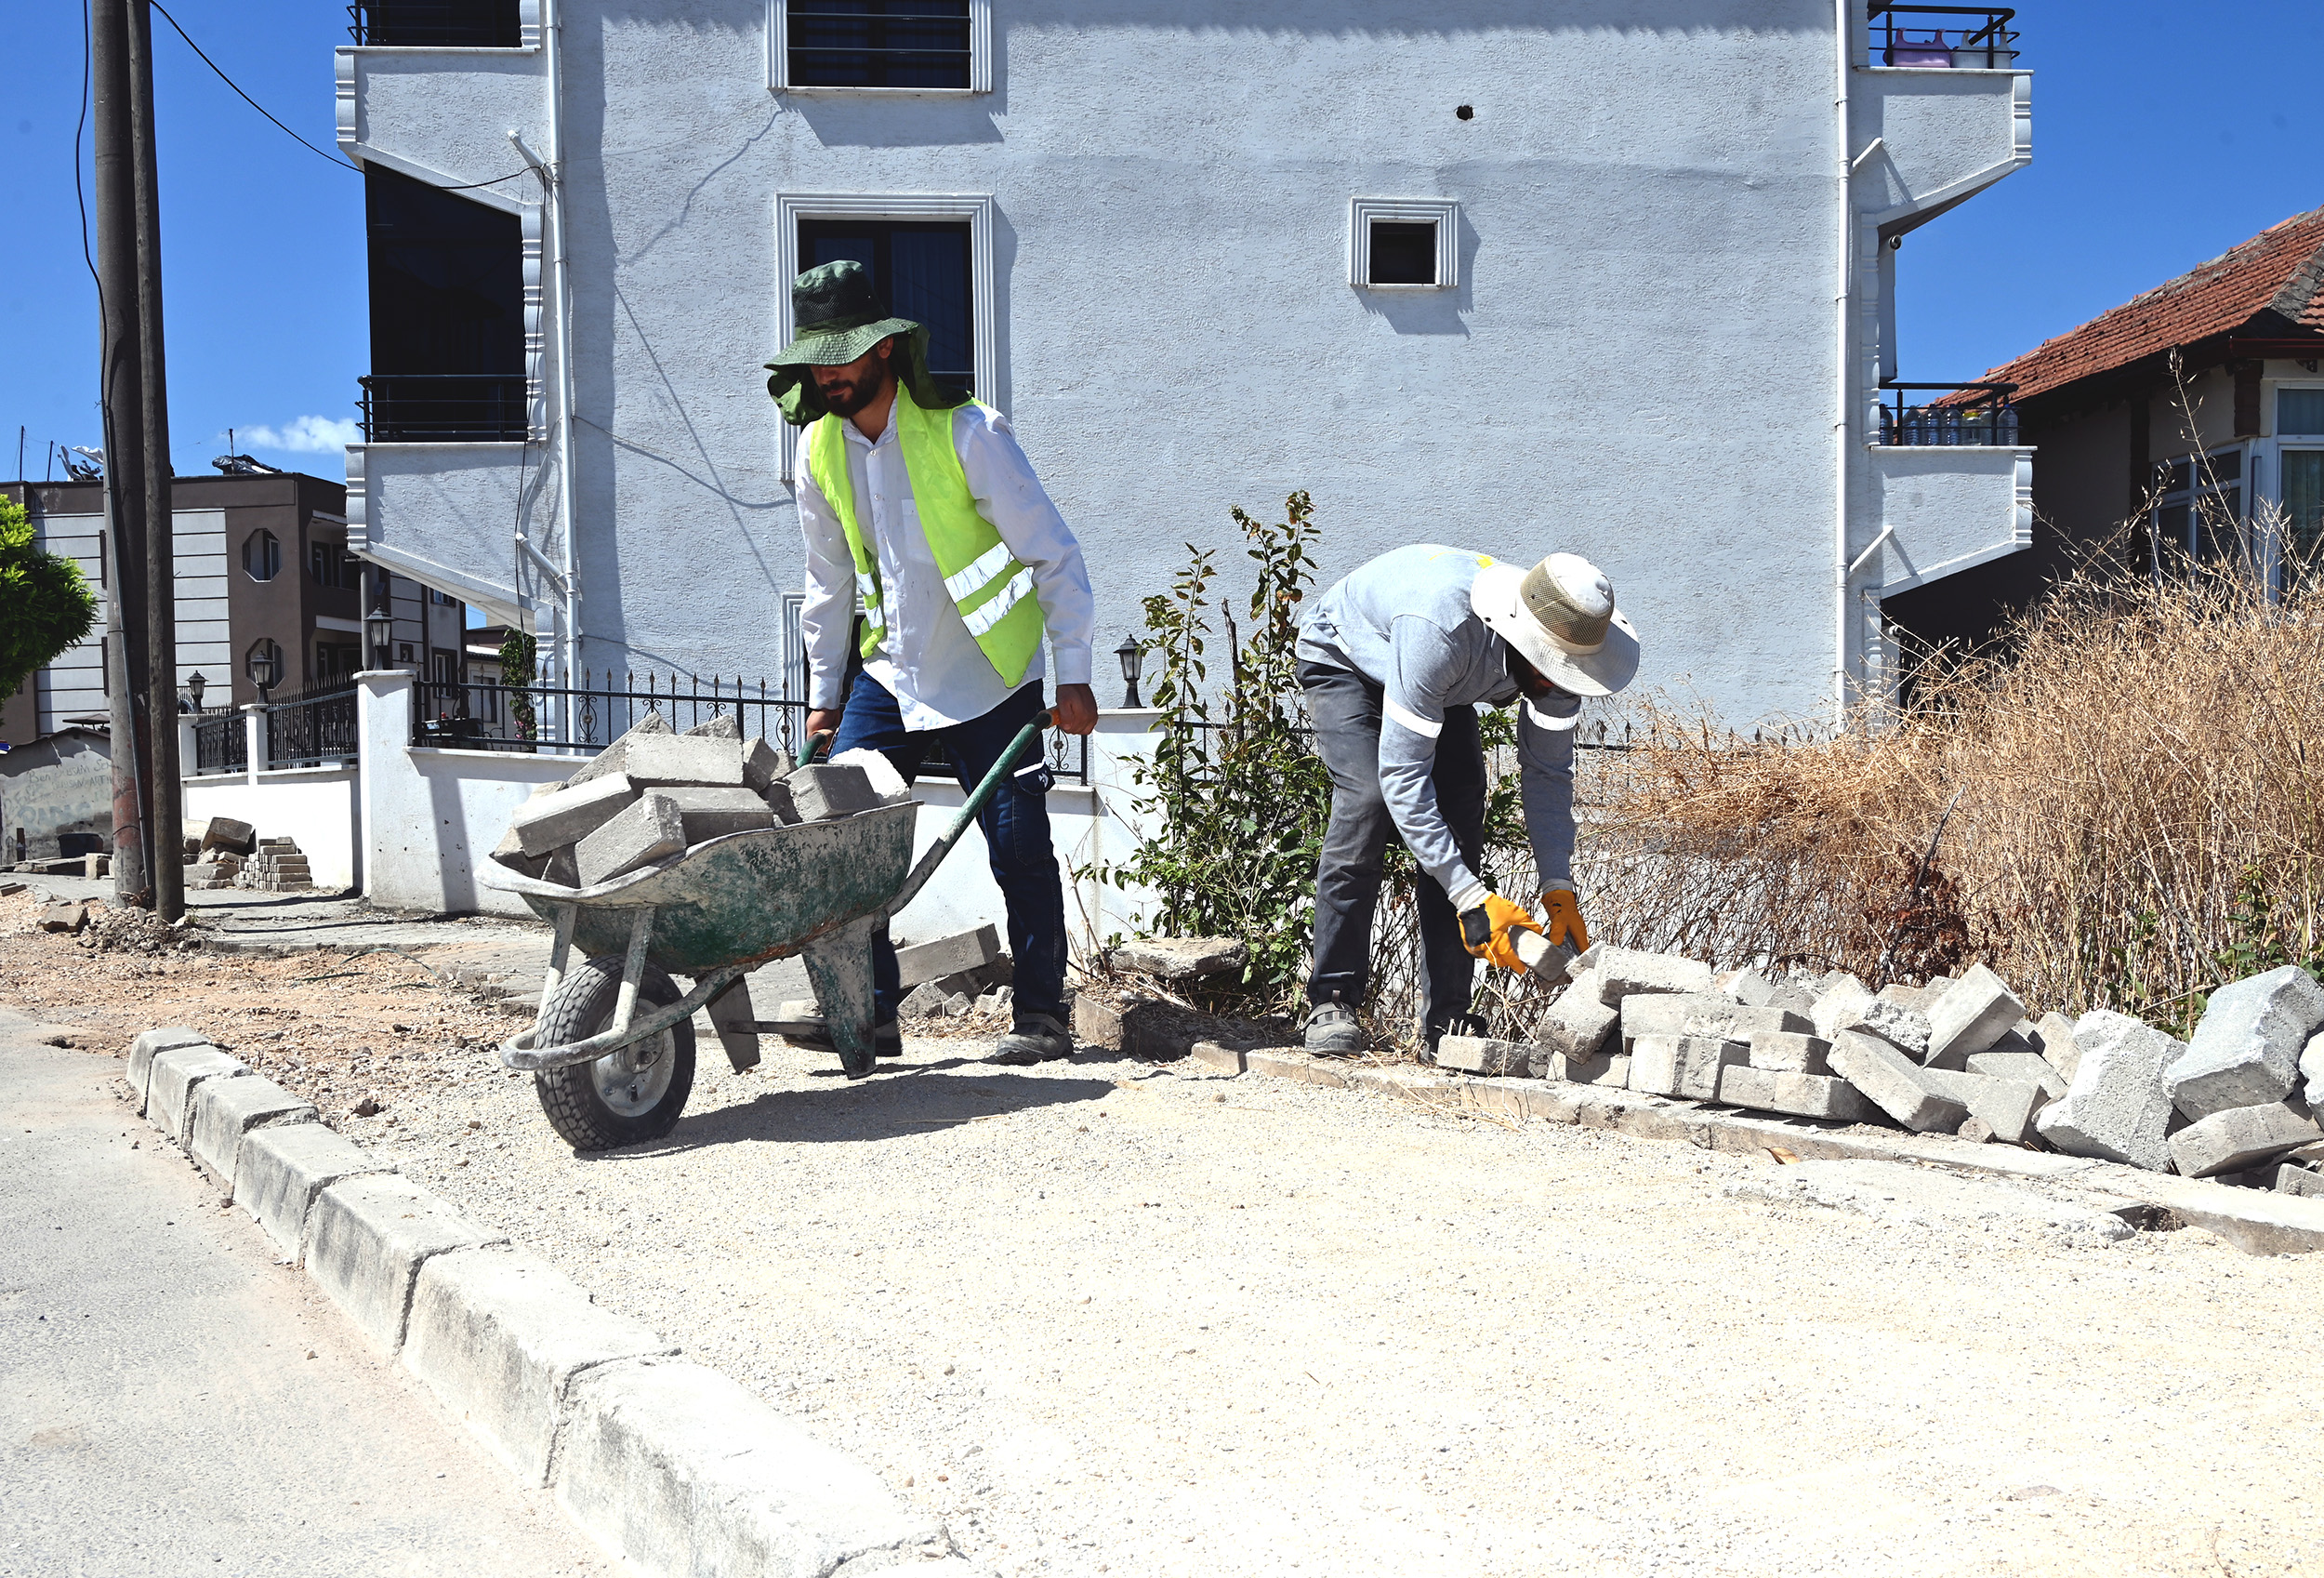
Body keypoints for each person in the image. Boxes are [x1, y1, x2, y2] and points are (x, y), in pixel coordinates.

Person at [767, 260, 1098, 1066]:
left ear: (884, 350)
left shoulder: (965, 430)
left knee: (1018, 846)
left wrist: (1076, 671)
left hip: (991, 673)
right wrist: (822, 696)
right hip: (890, 675)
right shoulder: (818, 448)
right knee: (846, 840)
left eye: (843, 354)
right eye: (818, 358)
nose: (830, 373)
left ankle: (1042, 1015)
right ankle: (869, 1012)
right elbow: (827, 579)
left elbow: (1052, 552)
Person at [1294, 546, 1641, 1055]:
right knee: (1368, 801)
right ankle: (1333, 997)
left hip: (1441, 684)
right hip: (1352, 659)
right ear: (1518, 635)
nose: (1554, 683)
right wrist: (1470, 898)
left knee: (1459, 810)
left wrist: (1557, 883)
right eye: (1546, 668)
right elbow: (1402, 775)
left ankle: (1447, 1021)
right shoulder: (1441, 630)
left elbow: (1547, 773)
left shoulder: (1567, 661)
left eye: (1564, 672)